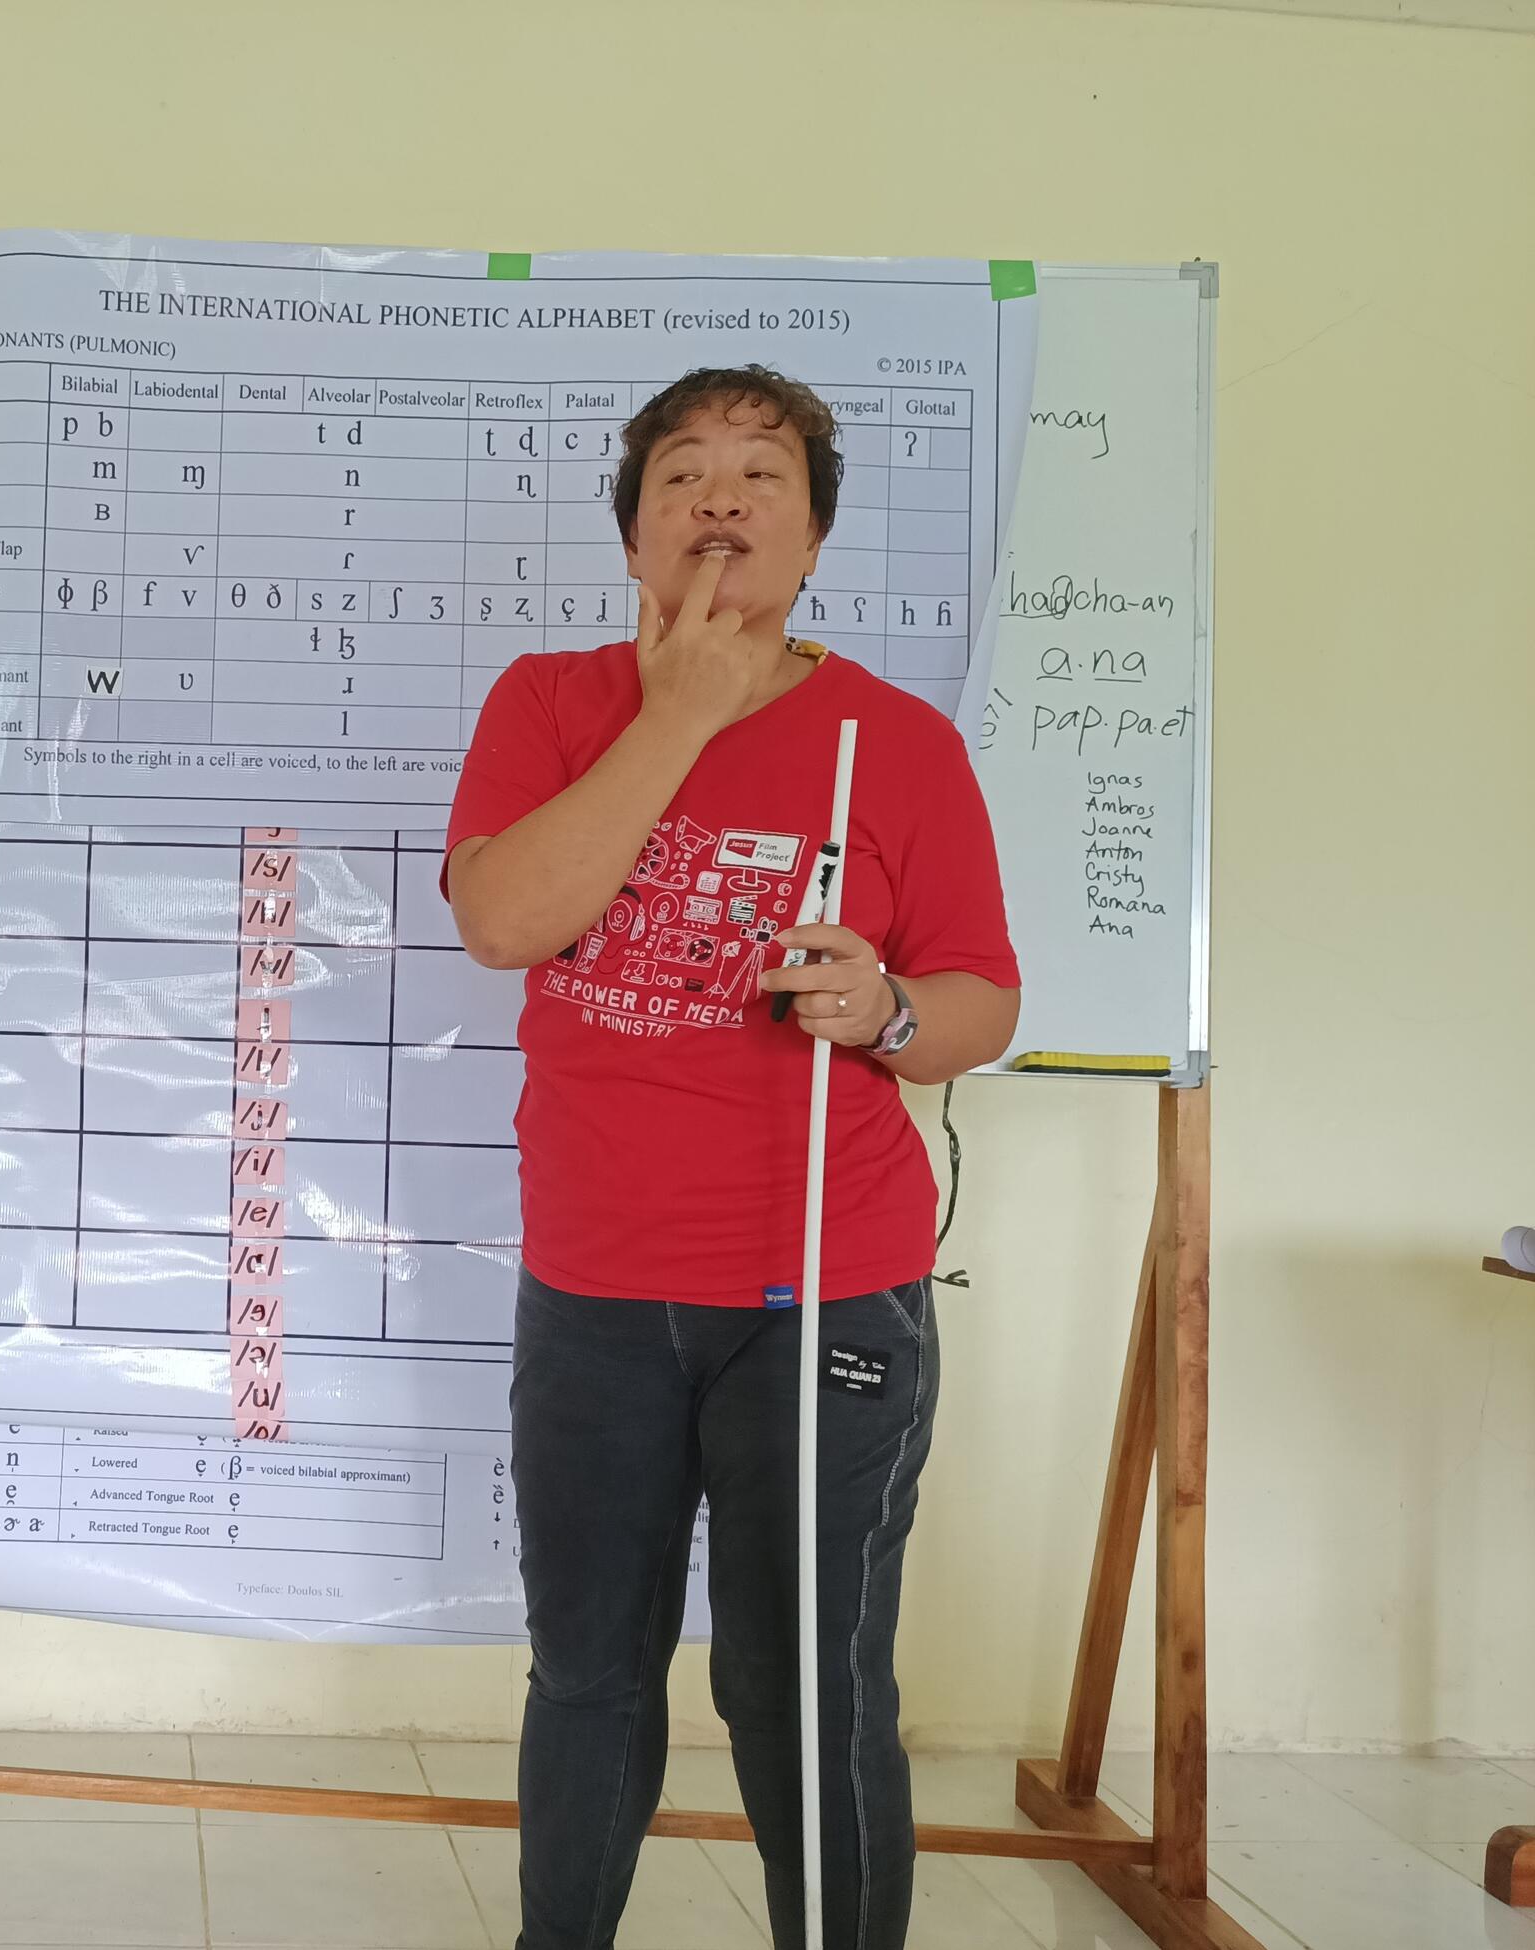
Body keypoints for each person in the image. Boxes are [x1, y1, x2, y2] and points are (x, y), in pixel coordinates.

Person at [444, 366, 1022, 1950]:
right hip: (596, 1287)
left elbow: (982, 1002)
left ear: (814, 535)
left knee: (802, 1682)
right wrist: (682, 710)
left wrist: (888, 1008)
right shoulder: (548, 703)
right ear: (633, 535)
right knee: (589, 1668)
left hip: (827, 1288)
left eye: (762, 474)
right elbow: (503, 919)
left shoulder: (900, 745)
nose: (719, 497)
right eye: (682, 473)